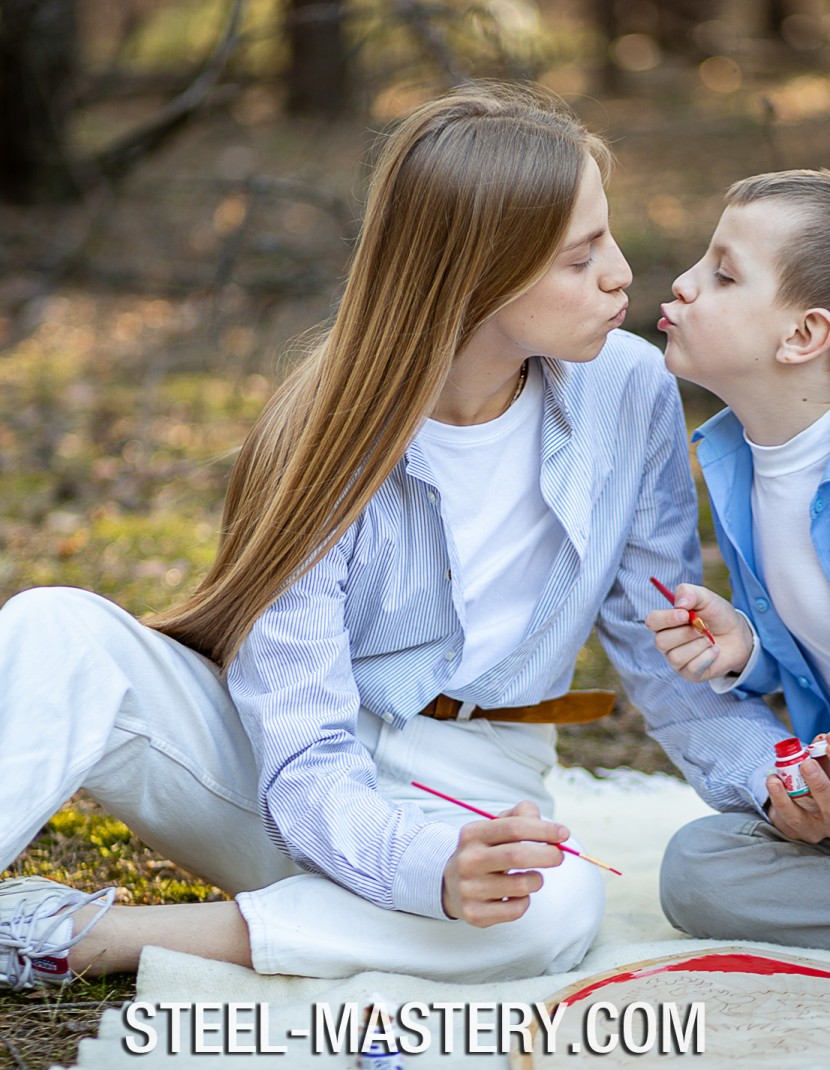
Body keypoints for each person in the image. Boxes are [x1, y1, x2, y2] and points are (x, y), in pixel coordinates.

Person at [0, 81, 782, 994]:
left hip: (477, 777)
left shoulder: (630, 390)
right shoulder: (324, 431)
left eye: (606, 238)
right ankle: (345, 914)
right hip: (279, 768)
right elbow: (300, 749)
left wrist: (771, 779)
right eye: (580, 258)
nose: (620, 274)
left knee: (555, 905)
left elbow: (662, 650)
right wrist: (412, 869)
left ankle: (81, 937)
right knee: (56, 627)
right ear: (477, 276)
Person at [647, 169, 830, 950]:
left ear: (803, 336)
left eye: (723, 274)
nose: (684, 284)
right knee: (700, 869)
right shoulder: (737, 462)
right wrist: (751, 651)